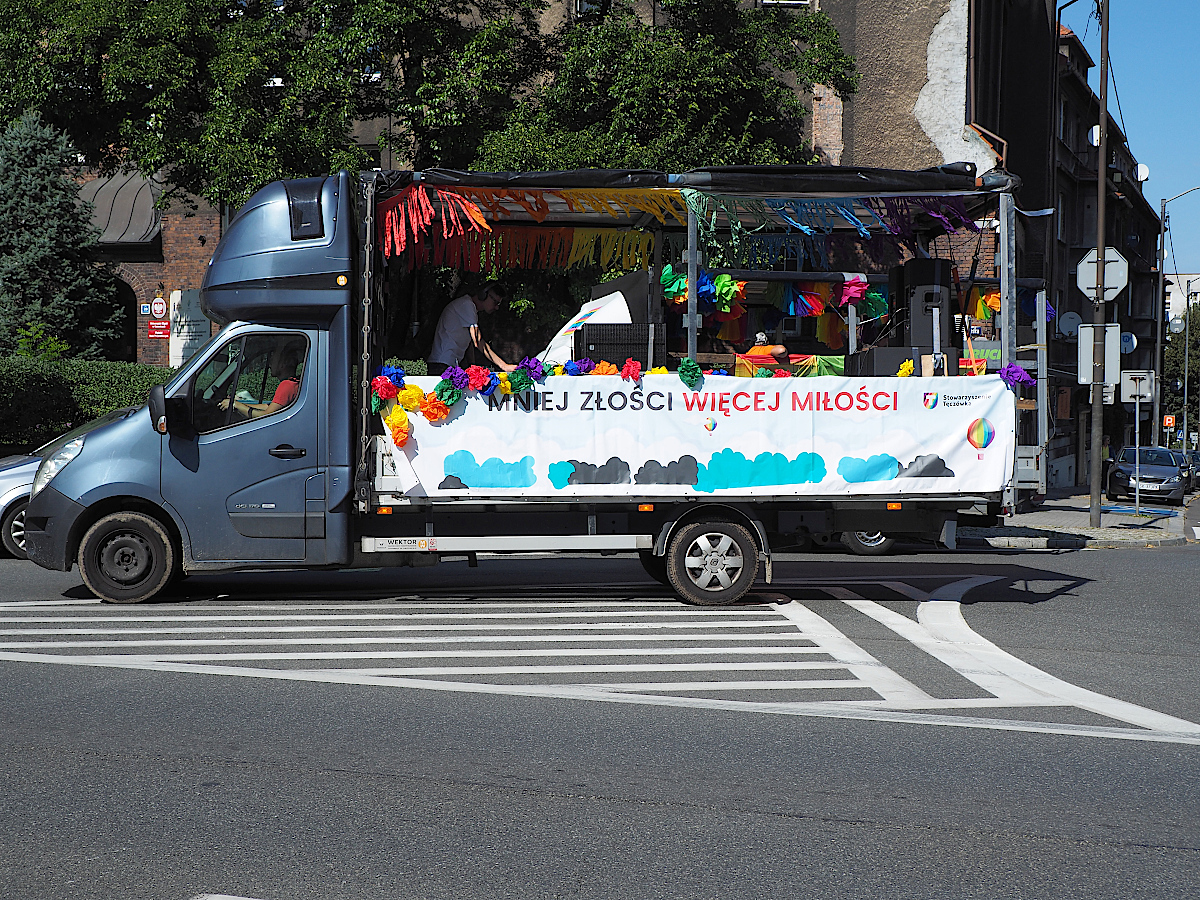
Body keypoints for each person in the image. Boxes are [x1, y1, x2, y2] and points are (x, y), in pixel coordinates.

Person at [429, 283, 515, 373]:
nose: (496, 307)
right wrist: (504, 366)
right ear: (483, 295)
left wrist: (472, 367)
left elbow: (469, 342)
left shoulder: (470, 309)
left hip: (446, 364)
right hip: (441, 364)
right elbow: (478, 341)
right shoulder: (466, 305)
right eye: (495, 302)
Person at [220, 339, 305, 420]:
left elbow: (267, 415)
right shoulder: (293, 383)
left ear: (284, 363)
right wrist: (237, 404)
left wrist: (236, 405)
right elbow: (267, 407)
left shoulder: (286, 385)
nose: (270, 363)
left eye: (273, 359)